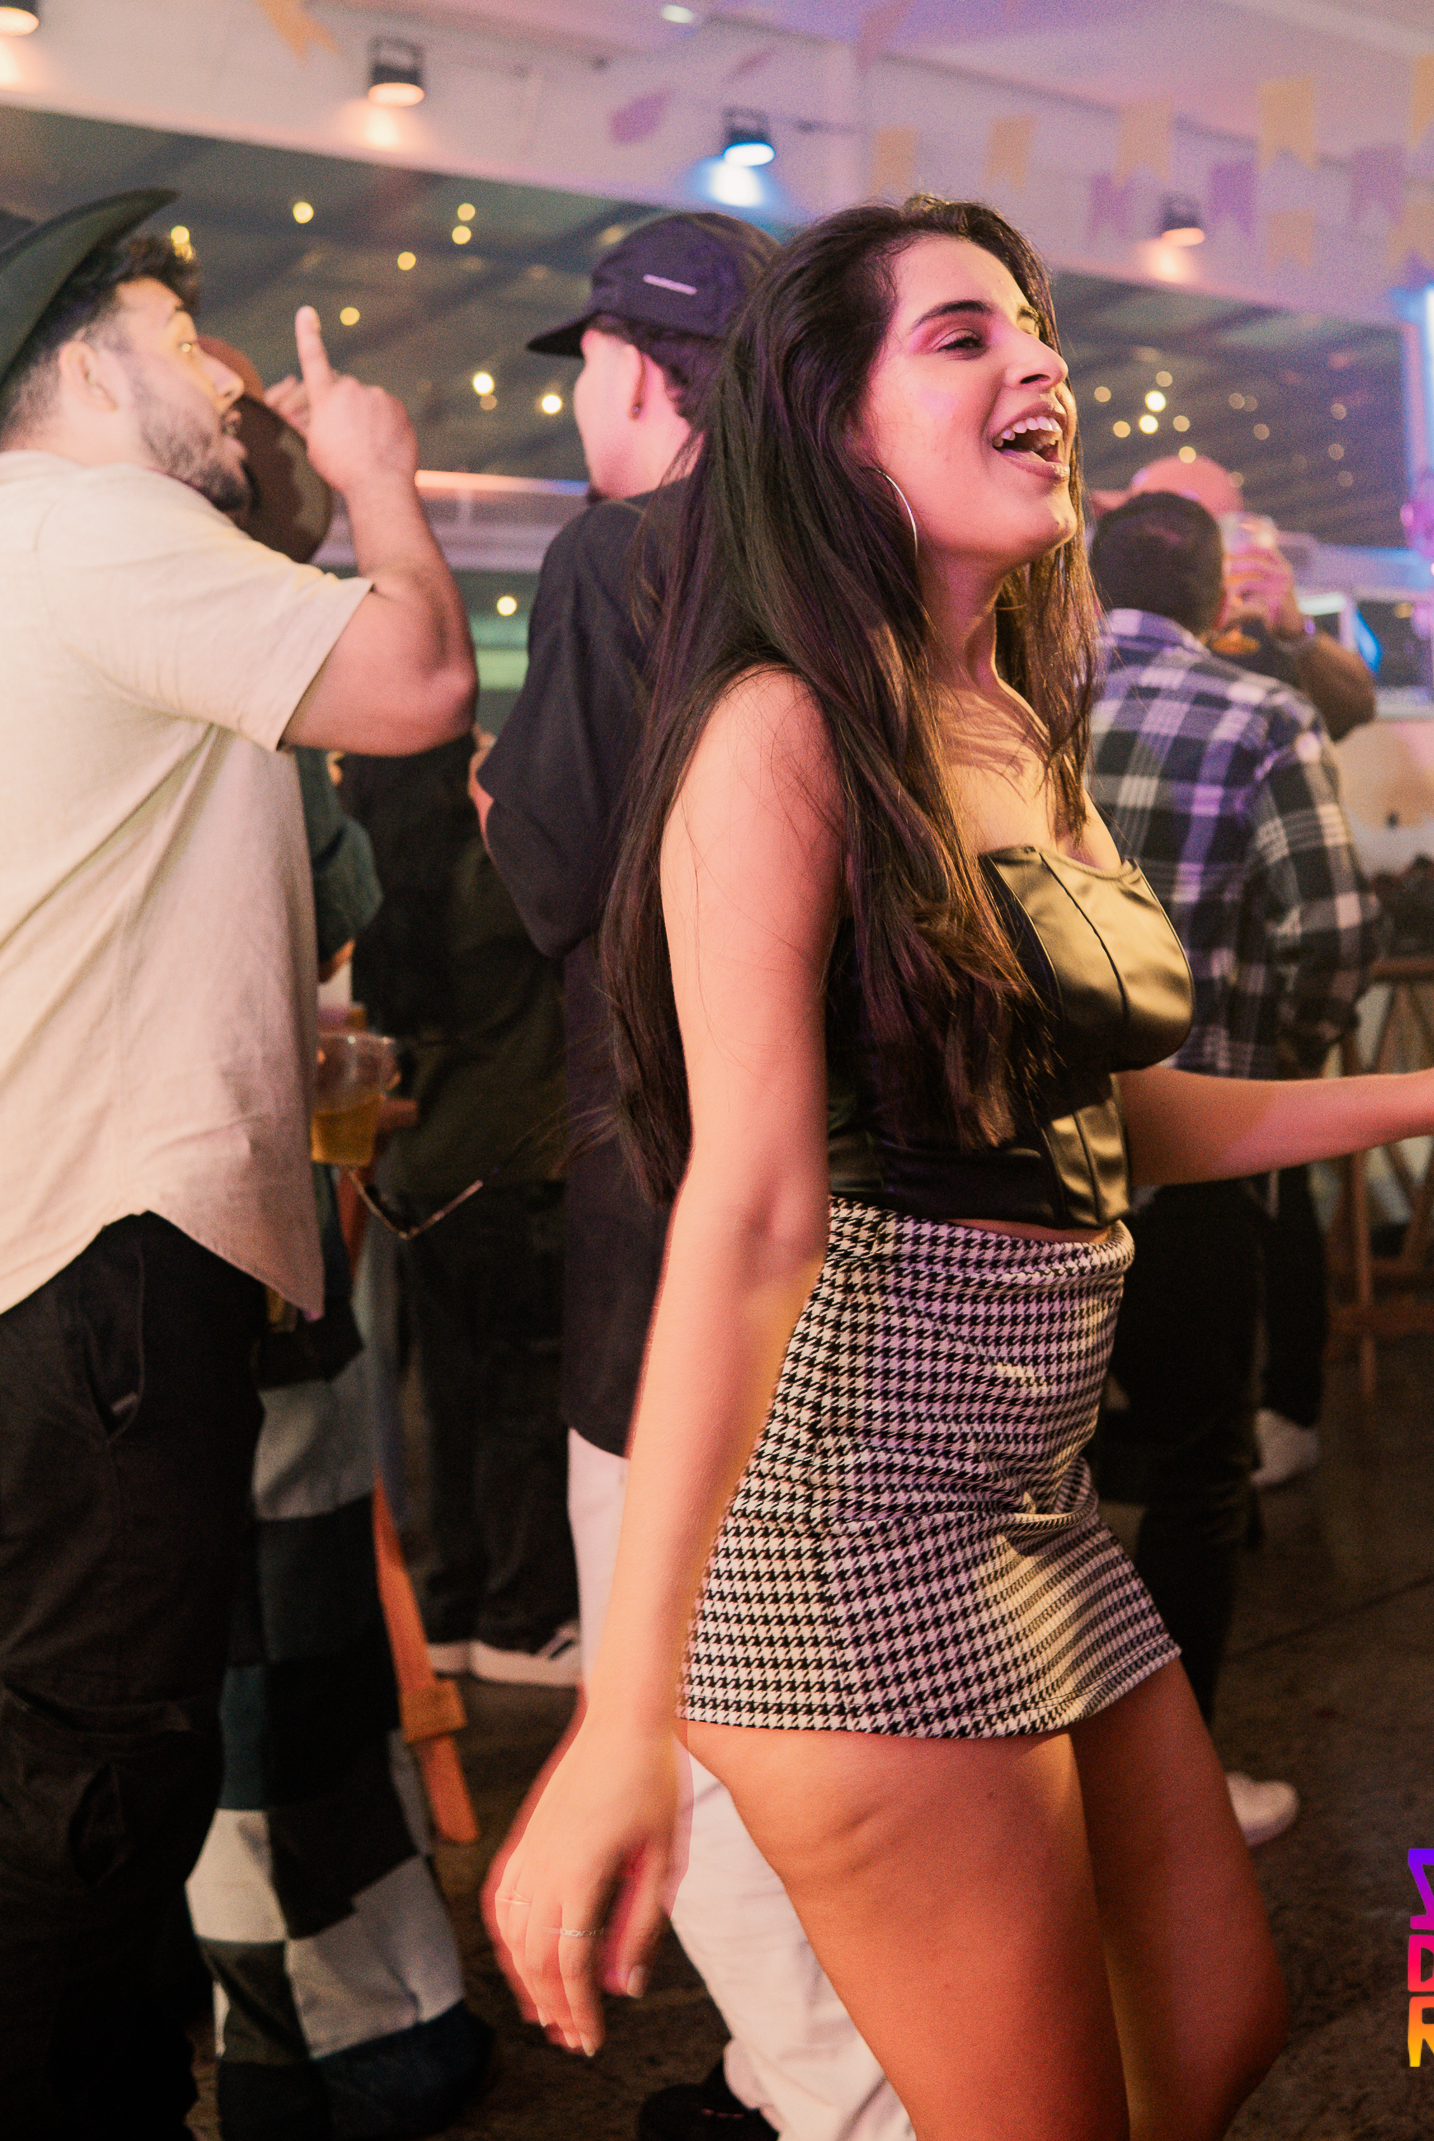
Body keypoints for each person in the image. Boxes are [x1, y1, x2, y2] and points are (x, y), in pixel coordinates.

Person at [483, 197, 1434, 2141]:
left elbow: (1098, 1118)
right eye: (961, 335)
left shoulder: (1006, 713)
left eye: (1034, 328)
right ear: (828, 419)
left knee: (1209, 2027)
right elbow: (748, 1210)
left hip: (1032, 1500)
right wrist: (622, 1713)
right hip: (853, 1525)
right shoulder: (776, 728)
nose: (1039, 361)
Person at [0, 191, 476, 2138]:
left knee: (80, 1747)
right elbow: (415, 679)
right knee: (97, 1770)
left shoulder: (31, 551)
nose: (230, 374)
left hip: (57, 1239)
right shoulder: (86, 520)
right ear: (86, 368)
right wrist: (378, 479)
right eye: (184, 336)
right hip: (101, 1243)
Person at [480, 213, 910, 2141]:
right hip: (868, 1221)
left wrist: (500, 800)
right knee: (831, 1703)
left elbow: (553, 876)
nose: (577, 398)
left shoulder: (614, 553)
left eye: (585, 362)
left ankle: (838, 2099)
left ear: (647, 376)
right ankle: (808, 2075)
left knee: (697, 1715)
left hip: (673, 1211)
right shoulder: (849, 569)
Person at [188, 745, 494, 2141]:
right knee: (278, 1653)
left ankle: (217, 2007)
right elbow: (330, 892)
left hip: (34, 1262)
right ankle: (347, 2038)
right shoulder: (225, 722)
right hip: (227, 1237)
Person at [1086, 490, 1380, 1838]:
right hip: (1193, 1160)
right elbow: (1334, 929)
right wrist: (1272, 1067)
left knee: (1030, 1482)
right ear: (1215, 599)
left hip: (1012, 1169)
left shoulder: (1001, 700)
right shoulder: (1258, 712)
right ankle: (1169, 1795)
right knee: (1197, 1473)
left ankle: (1047, 1794)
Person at [337, 736, 576, 1686]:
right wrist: (500, 780)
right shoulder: (492, 872)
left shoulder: (383, 874)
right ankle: (522, 1621)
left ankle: (453, 1606)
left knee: (451, 1403)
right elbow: (574, 900)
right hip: (511, 1167)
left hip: (423, 1176)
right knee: (522, 1401)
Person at [1092, 454, 1376, 740]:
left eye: (1140, 522)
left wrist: (1298, 631)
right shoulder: (1103, 615)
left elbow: (1354, 712)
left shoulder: (1261, 626)